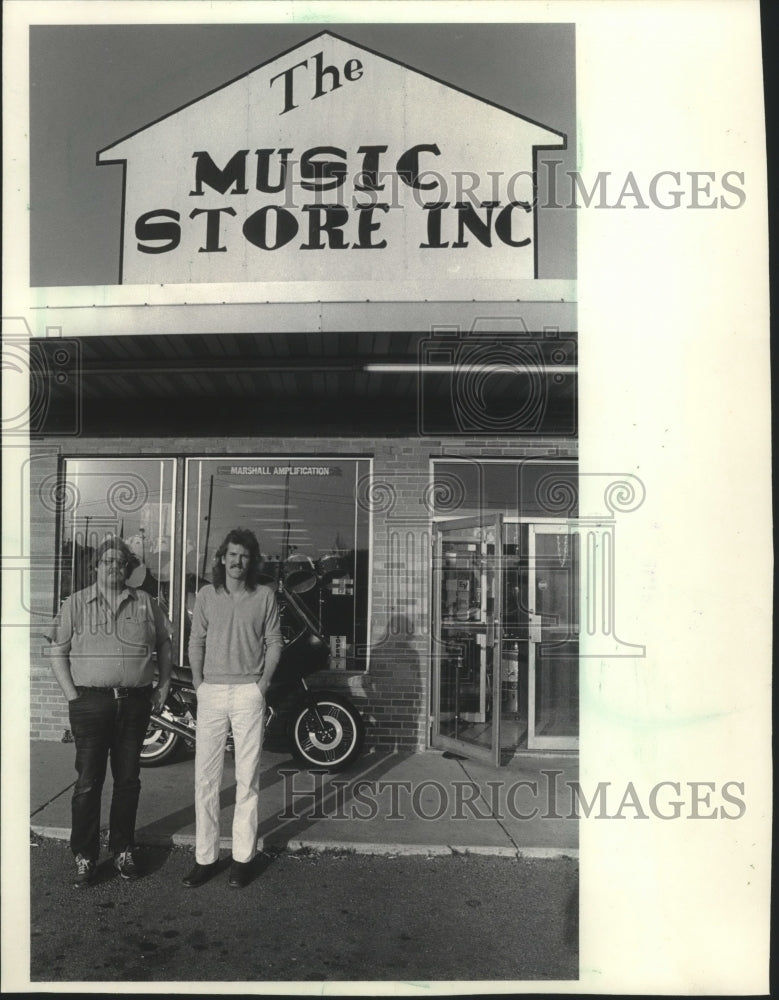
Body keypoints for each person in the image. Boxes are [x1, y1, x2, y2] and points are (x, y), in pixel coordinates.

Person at [46, 535, 172, 887]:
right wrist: (73, 695)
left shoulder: (146, 602)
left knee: (128, 781)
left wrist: (163, 685)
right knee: (88, 783)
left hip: (135, 703)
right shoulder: (75, 603)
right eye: (108, 561)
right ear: (96, 566)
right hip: (90, 703)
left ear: (128, 568)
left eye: (121, 562)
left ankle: (123, 849)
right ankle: (85, 856)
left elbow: (164, 642)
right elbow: (57, 651)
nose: (114, 566)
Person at [183, 528, 283, 889]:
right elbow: (196, 641)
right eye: (233, 554)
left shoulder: (264, 597)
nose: (238, 561)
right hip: (211, 691)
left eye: (245, 556)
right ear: (222, 558)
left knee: (247, 779)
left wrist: (263, 685)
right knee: (206, 780)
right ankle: (205, 858)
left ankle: (243, 858)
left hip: (247, 694)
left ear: (251, 560)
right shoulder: (207, 595)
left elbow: (274, 642)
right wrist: (198, 682)